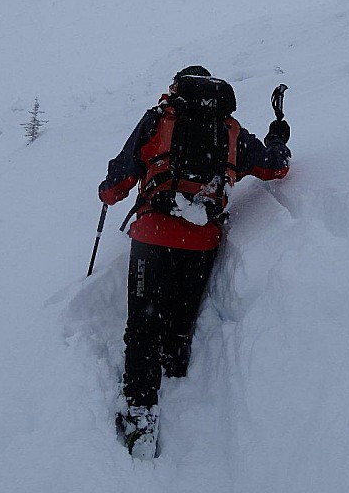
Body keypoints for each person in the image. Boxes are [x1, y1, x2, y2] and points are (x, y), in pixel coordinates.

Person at [98, 65, 291, 458]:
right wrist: (278, 140)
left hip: (153, 236)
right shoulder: (230, 130)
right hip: (201, 241)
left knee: (142, 327)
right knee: (179, 320)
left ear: (176, 89)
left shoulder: (159, 120)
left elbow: (120, 180)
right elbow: (274, 167)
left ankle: (139, 415)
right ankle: (176, 367)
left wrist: (107, 190)